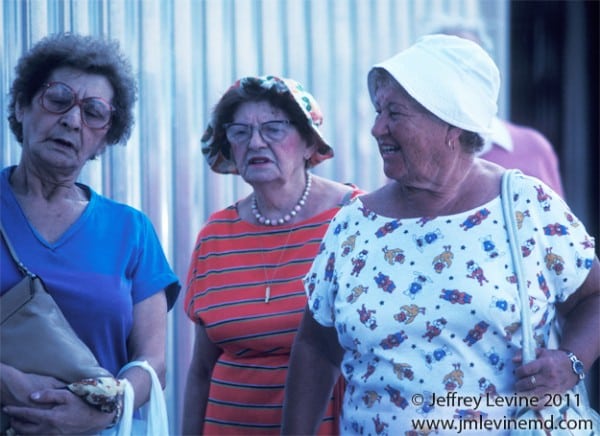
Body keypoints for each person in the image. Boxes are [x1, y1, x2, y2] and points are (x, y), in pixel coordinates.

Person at [281, 34, 599, 435]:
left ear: (451, 124)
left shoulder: (524, 204)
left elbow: (594, 296)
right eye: (379, 111)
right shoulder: (354, 223)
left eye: (395, 113)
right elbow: (315, 346)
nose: (377, 128)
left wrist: (572, 362)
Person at [0, 33, 180, 434]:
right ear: (21, 105)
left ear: (106, 136)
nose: (72, 120)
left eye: (94, 112)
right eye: (58, 99)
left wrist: (106, 409)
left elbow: (154, 362)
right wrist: (8, 383)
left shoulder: (131, 230)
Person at [182, 75, 361, 435]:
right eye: (240, 132)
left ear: (310, 142)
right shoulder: (215, 234)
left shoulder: (355, 219)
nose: (255, 142)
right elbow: (202, 368)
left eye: (274, 129)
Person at [424, 15, 565, 197]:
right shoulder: (415, 152)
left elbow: (556, 223)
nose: (462, 72)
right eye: (449, 63)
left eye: (472, 61)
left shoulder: (534, 148)